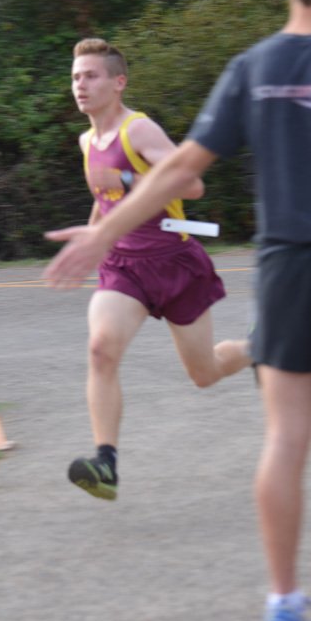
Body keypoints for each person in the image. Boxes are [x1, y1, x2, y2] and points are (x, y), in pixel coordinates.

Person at [44, 0, 311, 621]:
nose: (81, 84)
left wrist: (103, 231)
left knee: (283, 438)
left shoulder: (252, 68)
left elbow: (181, 171)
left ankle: (283, 604)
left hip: (282, 267)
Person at [55, 37, 251, 502]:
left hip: (174, 263)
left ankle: (263, 346)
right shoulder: (87, 141)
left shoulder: (139, 131)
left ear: (118, 82)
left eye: (91, 76)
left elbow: (192, 184)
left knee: (204, 374)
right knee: (101, 349)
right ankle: (105, 463)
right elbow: (105, 201)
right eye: (76, 77)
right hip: (123, 268)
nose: (81, 85)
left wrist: (125, 176)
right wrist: (92, 240)